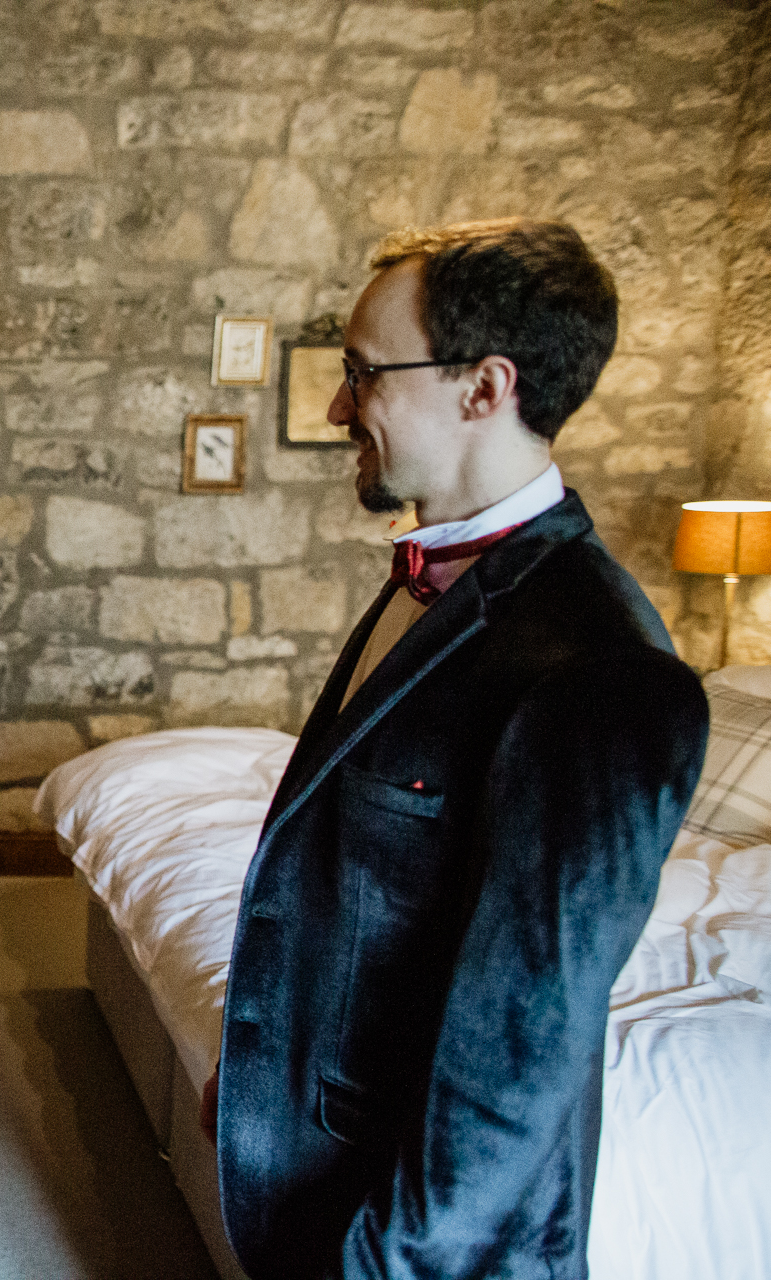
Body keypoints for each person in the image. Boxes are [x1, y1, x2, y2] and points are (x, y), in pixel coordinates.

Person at [209, 219, 709, 1279]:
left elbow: (521, 1050)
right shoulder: (434, 579)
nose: (341, 405)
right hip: (322, 1169)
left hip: (415, 1240)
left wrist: (385, 1260)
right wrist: (256, 1069)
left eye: (361, 373)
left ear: (485, 387)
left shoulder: (604, 669)